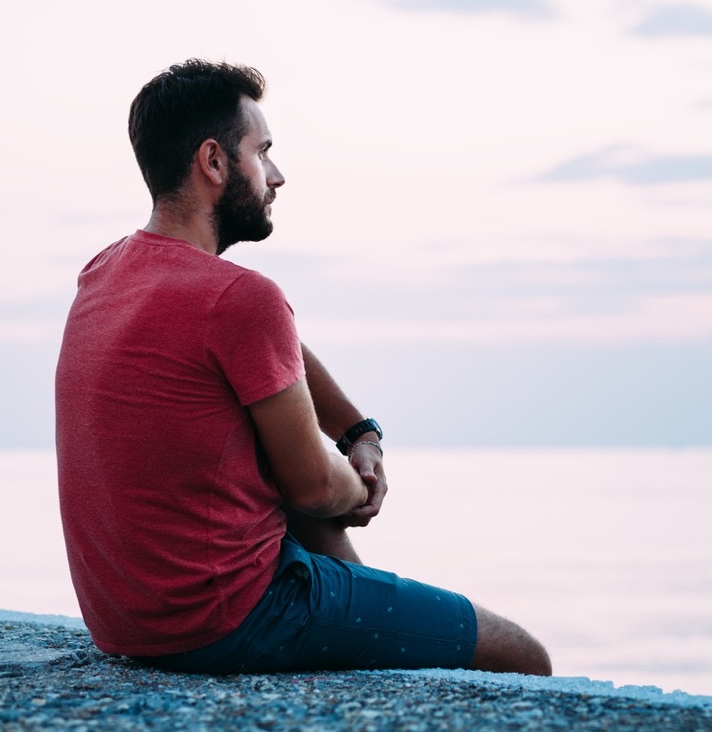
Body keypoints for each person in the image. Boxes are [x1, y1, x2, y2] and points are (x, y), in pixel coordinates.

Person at [55, 59, 550, 677]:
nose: (277, 176)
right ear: (213, 162)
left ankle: (379, 638)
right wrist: (357, 484)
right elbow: (314, 488)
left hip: (126, 622)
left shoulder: (107, 273)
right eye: (261, 152)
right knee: (525, 656)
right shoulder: (240, 298)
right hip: (227, 618)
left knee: (280, 488)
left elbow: (276, 351)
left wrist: (356, 433)